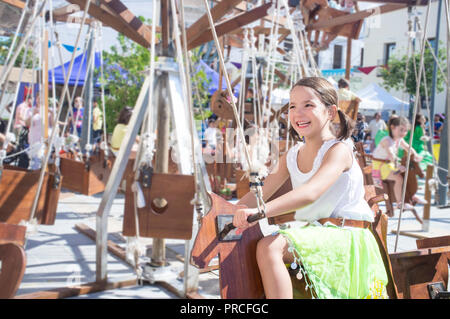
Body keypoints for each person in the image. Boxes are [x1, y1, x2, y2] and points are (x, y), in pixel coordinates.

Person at [233, 77, 388, 299]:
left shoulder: (339, 149)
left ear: (331, 112)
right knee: (251, 247)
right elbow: (259, 194)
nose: (298, 113)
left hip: (349, 235)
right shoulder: (292, 155)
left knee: (269, 247)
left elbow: (310, 193)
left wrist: (259, 213)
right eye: (293, 106)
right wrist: (225, 212)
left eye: (308, 105)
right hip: (318, 233)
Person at [371, 116, 422, 206]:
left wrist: (415, 155)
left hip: (388, 164)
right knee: (399, 178)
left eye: (405, 131)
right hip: (380, 165)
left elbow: (408, 147)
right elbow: (391, 155)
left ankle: (409, 195)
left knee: (407, 173)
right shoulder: (387, 140)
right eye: (401, 130)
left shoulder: (399, 139)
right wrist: (398, 165)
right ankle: (399, 202)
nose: (403, 133)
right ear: (392, 128)